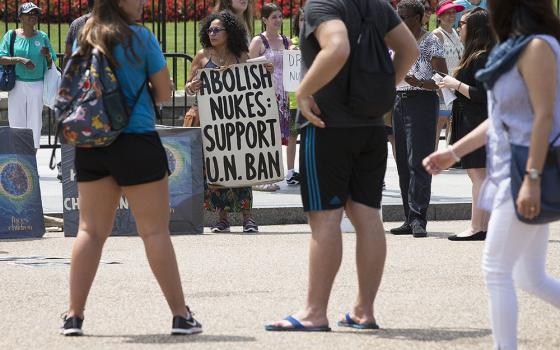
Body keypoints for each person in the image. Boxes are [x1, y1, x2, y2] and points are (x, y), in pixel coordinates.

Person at [265, 0, 418, 331]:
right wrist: (384, 87)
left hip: (327, 125)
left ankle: (314, 312)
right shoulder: (377, 5)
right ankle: (364, 310)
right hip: (371, 124)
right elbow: (409, 48)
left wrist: (304, 91)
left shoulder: (322, 5)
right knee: (367, 218)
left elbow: (337, 46)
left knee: (325, 220)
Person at [59, 0, 201, 336]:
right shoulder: (141, 37)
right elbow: (165, 91)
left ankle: (73, 316)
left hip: (92, 143)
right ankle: (181, 316)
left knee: (90, 231)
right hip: (136, 139)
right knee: (154, 231)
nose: (143, 2)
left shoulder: (85, 35)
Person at [423, 0, 560, 347]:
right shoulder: (516, 46)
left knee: (497, 269)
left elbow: (544, 117)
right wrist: (453, 151)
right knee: (530, 277)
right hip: (511, 168)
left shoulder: (538, 46)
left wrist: (531, 178)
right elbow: (499, 116)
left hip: (524, 169)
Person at [186, 11, 261, 233]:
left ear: (229, 33)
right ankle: (222, 218)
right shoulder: (202, 56)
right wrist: (193, 86)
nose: (212, 33)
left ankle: (248, 217)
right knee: (216, 169)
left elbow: (254, 81)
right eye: (209, 30)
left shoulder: (241, 55)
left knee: (241, 167)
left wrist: (265, 70)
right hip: (211, 123)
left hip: (236, 122)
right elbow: (188, 84)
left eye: (217, 30)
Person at [390, 0, 447, 238]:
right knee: (403, 161)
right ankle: (408, 217)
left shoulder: (431, 41)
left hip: (421, 100)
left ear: (419, 17)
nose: (400, 20)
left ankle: (418, 218)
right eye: (398, 15)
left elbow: (443, 76)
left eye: (404, 16)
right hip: (398, 100)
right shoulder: (394, 40)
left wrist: (422, 83)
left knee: (418, 161)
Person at [437, 7, 493, 240]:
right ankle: (483, 226)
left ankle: (476, 227)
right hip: (472, 119)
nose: (460, 26)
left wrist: (453, 83)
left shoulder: (480, 57)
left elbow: (483, 94)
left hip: (476, 120)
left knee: (478, 174)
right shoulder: (478, 54)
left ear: (474, 28)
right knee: (480, 175)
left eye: (463, 23)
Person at [249, 3, 299, 188]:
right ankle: (259, 178)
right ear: (264, 20)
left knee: (276, 137)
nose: (278, 20)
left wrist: (295, 53)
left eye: (280, 16)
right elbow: (246, 66)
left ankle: (270, 175)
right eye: (274, 17)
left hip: (283, 95)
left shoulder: (287, 41)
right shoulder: (258, 41)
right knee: (264, 135)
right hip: (263, 94)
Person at [0, 2, 57, 149]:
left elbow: (51, 63)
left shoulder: (42, 36)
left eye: (35, 14)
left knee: (34, 124)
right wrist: (20, 60)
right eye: (29, 14)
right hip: (17, 85)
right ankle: (19, 161)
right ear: (21, 17)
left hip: (37, 85)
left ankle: (31, 163)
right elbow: (1, 58)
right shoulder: (11, 35)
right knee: (16, 123)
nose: (33, 16)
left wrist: (48, 55)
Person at [432, 0, 464, 150]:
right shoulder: (437, 35)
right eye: (447, 13)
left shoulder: (456, 34)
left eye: (453, 12)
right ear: (439, 16)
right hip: (443, 84)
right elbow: (433, 62)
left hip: (455, 83)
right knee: (439, 122)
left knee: (452, 121)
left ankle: (448, 155)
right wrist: (439, 87)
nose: (451, 16)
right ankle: (432, 154)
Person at [63, 0, 95, 65]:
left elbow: (67, 54)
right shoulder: (110, 26)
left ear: (88, 7)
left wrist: (64, 73)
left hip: (79, 69)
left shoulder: (76, 24)